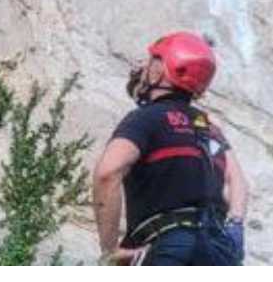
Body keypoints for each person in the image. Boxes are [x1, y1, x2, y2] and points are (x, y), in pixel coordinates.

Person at [92, 32, 249, 265]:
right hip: (219, 250)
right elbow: (236, 182)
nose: (144, 66)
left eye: (152, 60)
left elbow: (108, 173)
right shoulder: (209, 126)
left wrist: (109, 250)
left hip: (169, 246)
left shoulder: (145, 119)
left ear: (161, 70)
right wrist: (235, 226)